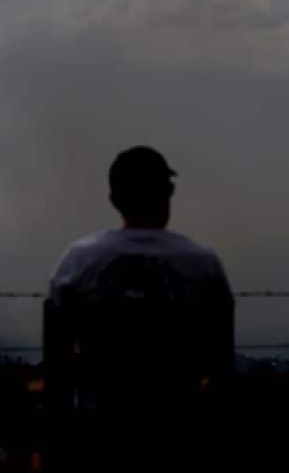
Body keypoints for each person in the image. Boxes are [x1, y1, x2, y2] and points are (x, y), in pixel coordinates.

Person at [46, 146, 234, 472]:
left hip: (100, 430)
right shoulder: (202, 262)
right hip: (178, 430)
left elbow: (58, 353)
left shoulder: (79, 261)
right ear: (169, 191)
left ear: (114, 199)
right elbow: (220, 358)